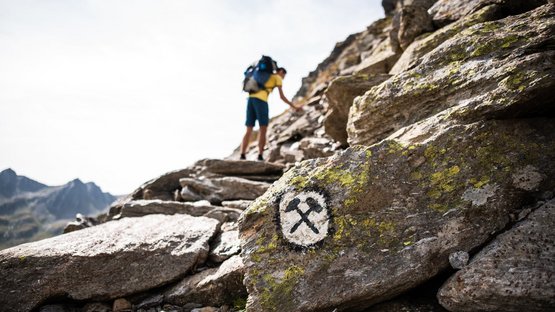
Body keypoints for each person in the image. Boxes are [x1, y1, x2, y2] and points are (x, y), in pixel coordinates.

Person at [240, 67, 301, 161]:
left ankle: (242, 155)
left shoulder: (262, 75)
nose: (283, 77)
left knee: (249, 129)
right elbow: (282, 96)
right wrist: (294, 106)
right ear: (281, 72)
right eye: (284, 75)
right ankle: (260, 155)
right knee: (263, 128)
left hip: (251, 100)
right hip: (261, 101)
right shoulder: (277, 77)